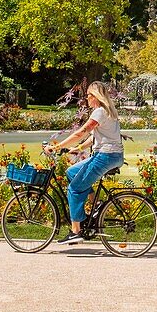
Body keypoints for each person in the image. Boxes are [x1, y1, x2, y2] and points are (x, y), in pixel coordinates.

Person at [47, 81, 125, 245]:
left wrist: (57, 146)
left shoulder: (99, 112)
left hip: (105, 156)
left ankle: (76, 231)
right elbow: (96, 136)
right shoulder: (109, 111)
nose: (86, 99)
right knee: (72, 172)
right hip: (112, 155)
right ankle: (96, 205)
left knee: (74, 189)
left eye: (89, 95)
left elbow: (82, 131)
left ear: (95, 97)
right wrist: (79, 148)